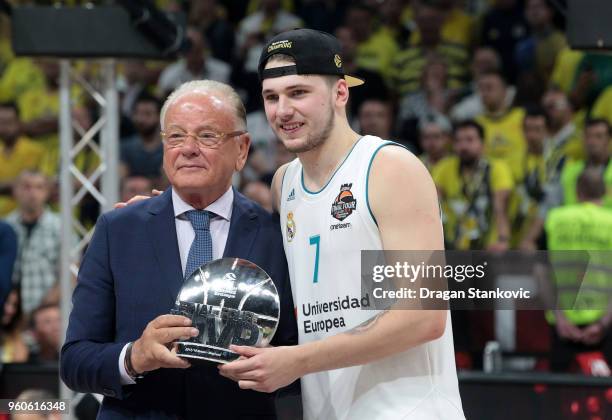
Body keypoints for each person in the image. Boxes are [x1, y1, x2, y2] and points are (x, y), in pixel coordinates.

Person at [219, 28, 465, 419]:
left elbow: (422, 317)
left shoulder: (388, 167)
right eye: (271, 97)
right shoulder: (285, 183)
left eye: (298, 93)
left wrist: (299, 361)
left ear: (340, 93)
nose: (282, 110)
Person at [60, 80, 298, 419]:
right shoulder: (118, 230)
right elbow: (74, 361)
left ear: (242, 150)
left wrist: (273, 368)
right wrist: (134, 357)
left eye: (207, 135)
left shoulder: (277, 236)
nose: (188, 148)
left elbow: (298, 357)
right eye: (175, 136)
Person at [5, 170, 61, 315]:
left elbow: (71, 274)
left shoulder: (61, 227)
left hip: (49, 315)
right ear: (15, 191)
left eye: (39, 187)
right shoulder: (5, 227)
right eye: (26, 187)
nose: (33, 193)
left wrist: (40, 311)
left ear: (47, 192)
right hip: (9, 314)